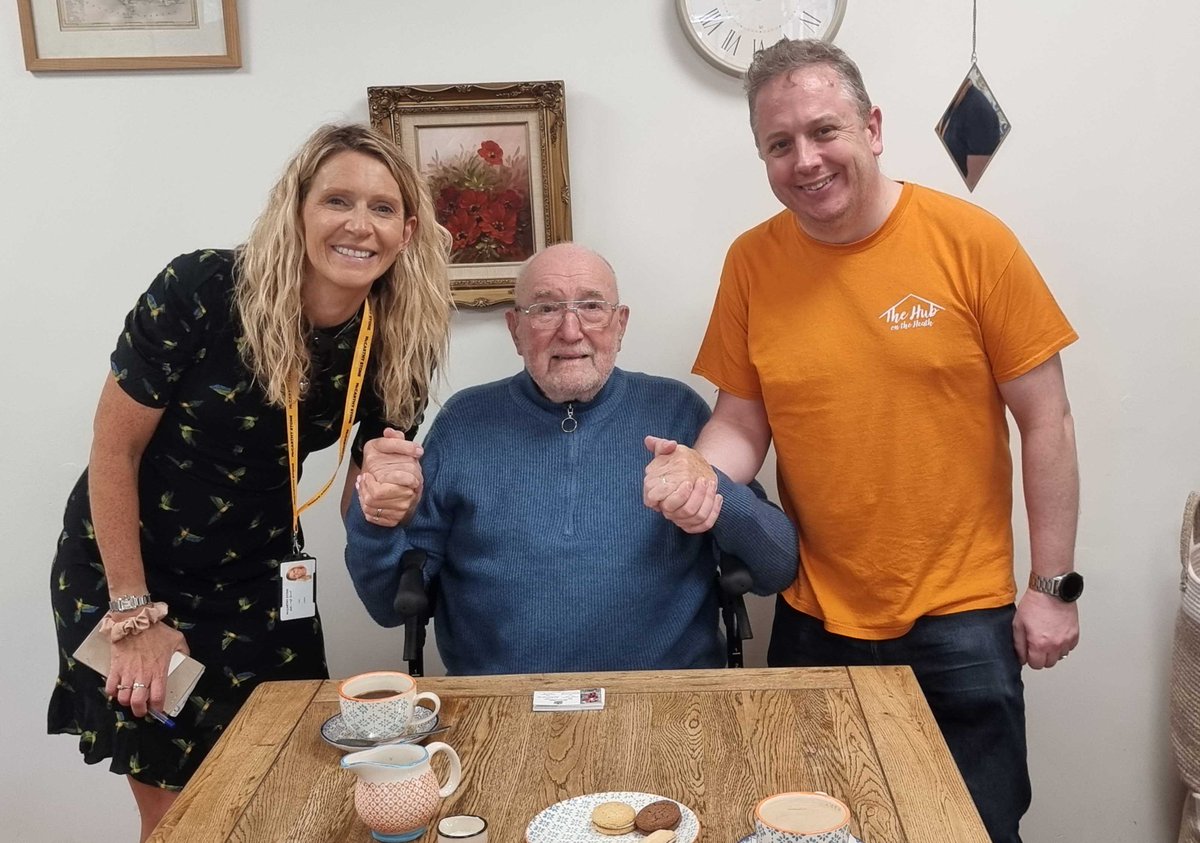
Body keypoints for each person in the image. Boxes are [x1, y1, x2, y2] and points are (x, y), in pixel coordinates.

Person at [644, 39, 1080, 843]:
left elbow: (1045, 416)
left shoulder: (972, 241)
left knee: (971, 830)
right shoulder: (752, 262)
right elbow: (742, 421)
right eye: (779, 144)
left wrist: (1052, 584)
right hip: (816, 614)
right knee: (813, 833)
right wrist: (704, 470)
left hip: (961, 614)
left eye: (823, 131)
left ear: (872, 127)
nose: (804, 160)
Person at [48, 123, 452, 841]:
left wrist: (386, 488)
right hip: (130, 573)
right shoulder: (201, 288)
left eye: (383, 208)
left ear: (408, 229)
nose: (359, 224)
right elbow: (113, 451)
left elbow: (376, 460)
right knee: (184, 813)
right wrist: (134, 616)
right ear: (296, 209)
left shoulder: (402, 332)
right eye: (337, 200)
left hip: (263, 577)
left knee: (292, 779)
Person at [344, 243, 797, 674]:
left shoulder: (676, 411)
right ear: (515, 329)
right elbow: (390, 605)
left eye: (592, 306)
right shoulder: (464, 422)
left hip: (665, 702)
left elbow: (776, 567)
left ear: (621, 324)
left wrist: (715, 494)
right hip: (498, 703)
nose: (570, 329)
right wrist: (377, 516)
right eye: (544, 308)